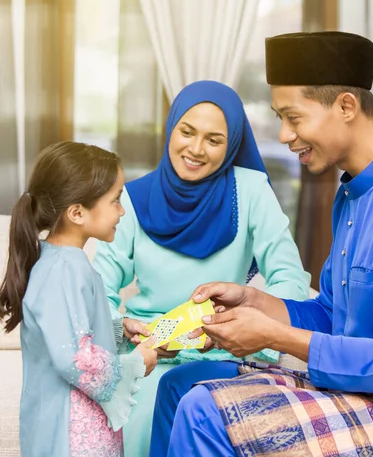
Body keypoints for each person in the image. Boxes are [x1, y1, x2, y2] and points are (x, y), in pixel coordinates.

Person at [150, 31, 373, 457]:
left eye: (294, 117)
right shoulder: (351, 194)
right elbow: (331, 314)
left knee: (204, 410)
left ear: (346, 106)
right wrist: (254, 303)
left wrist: (277, 336)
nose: (284, 135)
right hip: (353, 390)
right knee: (181, 383)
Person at [92, 79, 311, 456]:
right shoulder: (134, 196)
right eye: (187, 132)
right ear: (170, 128)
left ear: (232, 146)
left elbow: (290, 276)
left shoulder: (252, 190)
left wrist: (255, 326)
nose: (195, 149)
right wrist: (120, 328)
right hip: (148, 354)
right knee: (137, 420)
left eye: (213, 140)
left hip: (226, 353)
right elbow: (97, 287)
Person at [0, 141, 158, 457]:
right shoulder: (66, 269)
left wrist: (119, 330)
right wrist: (137, 362)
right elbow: (75, 359)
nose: (122, 210)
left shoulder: (59, 261)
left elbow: (70, 329)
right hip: (73, 439)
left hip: (65, 431)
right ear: (77, 212)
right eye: (115, 201)